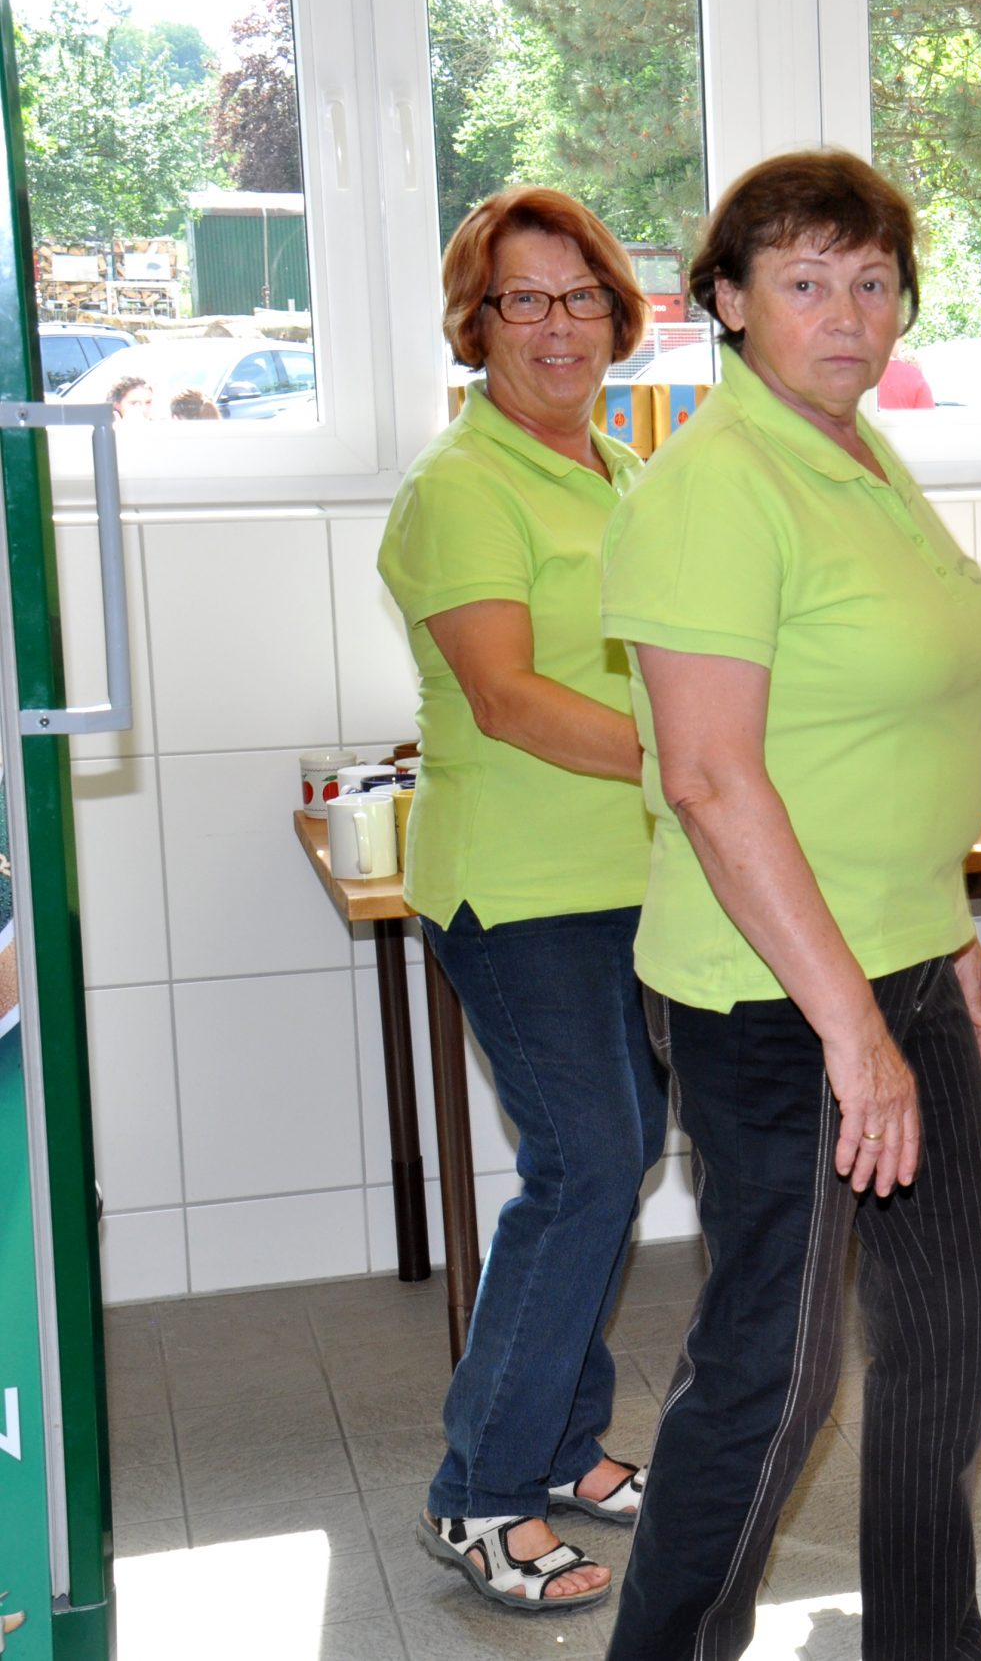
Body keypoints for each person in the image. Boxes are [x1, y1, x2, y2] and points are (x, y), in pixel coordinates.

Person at [597, 148, 981, 1661]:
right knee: (774, 1376)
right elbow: (711, 782)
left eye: (872, 278)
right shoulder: (713, 487)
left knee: (951, 1332)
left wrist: (946, 922)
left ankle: (928, 1642)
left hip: (898, 959)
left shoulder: (856, 455)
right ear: (725, 301)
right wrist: (851, 1028)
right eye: (803, 281)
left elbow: (880, 736)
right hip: (773, 995)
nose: (848, 313)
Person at [378, 185, 667, 1609]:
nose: (557, 326)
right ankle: (479, 1494)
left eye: (580, 297)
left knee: (620, 1153)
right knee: (589, 1166)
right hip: (516, 887)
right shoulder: (463, 486)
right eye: (522, 300)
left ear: (620, 313)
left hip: (629, 877)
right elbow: (505, 699)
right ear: (475, 324)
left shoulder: (615, 471)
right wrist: (700, 767)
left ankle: (558, 1444)